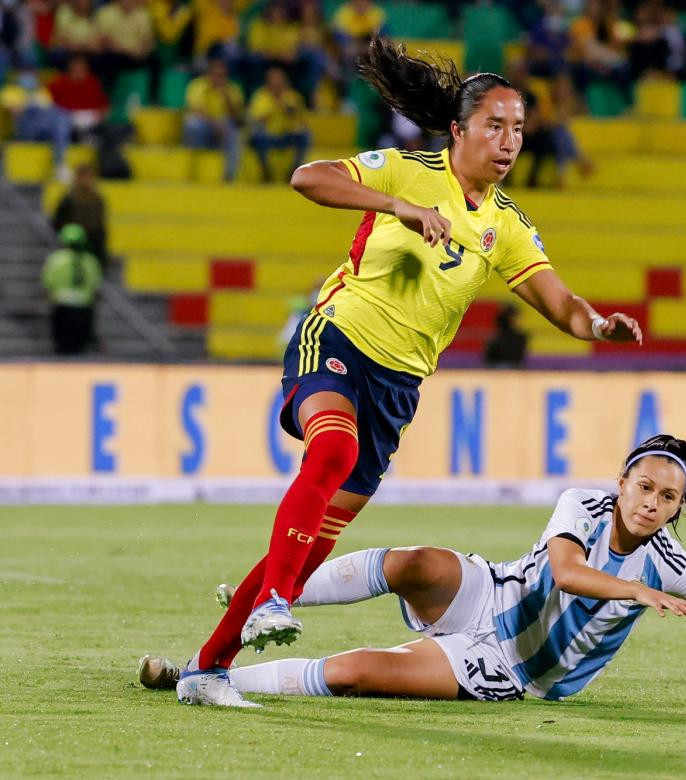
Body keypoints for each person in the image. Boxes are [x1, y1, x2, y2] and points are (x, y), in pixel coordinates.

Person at [169, 36, 644, 708]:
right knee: (332, 448)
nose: (508, 142)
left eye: (518, 130)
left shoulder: (505, 226)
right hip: (336, 339)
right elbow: (308, 176)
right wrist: (397, 206)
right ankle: (273, 602)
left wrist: (595, 323)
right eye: (494, 126)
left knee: (304, 551)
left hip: (396, 390)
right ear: (458, 130)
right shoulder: (407, 171)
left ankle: (205, 668)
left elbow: (556, 299)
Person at [140, 435, 686, 710]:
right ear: (622, 481)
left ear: (679, 506)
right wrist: (632, 589)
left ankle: (204, 678)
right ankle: (276, 597)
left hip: (511, 668)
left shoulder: (673, 566)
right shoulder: (583, 504)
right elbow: (567, 571)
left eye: (668, 498)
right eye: (644, 486)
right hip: (493, 592)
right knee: (419, 563)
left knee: (360, 671)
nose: (652, 502)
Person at [42, 223, 103, 355]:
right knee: (79, 349)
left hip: (62, 306)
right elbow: (95, 289)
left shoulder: (56, 260)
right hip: (83, 308)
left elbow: (48, 285)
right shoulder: (90, 261)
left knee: (62, 347)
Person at [2, 67, 72, 180]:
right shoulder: (10, 91)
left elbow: (49, 110)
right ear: (18, 75)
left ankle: (60, 163)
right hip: (24, 129)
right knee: (36, 110)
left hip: (44, 129)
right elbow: (14, 113)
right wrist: (28, 104)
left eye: (31, 74)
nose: (29, 77)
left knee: (62, 115)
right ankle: (60, 163)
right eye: (25, 73)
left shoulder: (41, 92)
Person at [182, 57, 244, 181]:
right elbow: (198, 112)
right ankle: (193, 169)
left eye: (222, 75)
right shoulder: (197, 86)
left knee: (234, 132)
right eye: (215, 75)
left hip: (223, 129)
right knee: (193, 124)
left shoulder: (232, 89)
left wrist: (227, 100)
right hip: (206, 128)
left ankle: (229, 176)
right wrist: (216, 125)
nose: (218, 78)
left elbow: (238, 119)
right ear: (208, 74)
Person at [246, 65, 310, 182]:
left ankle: (293, 171)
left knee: (305, 136)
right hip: (268, 135)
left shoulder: (293, 96)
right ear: (268, 83)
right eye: (273, 83)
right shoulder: (261, 96)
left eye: (280, 82)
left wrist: (291, 113)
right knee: (257, 137)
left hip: (287, 134)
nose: (277, 85)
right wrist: (276, 106)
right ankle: (266, 172)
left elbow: (301, 120)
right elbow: (257, 119)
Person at [51, 163, 109, 267]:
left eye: (88, 177)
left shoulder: (97, 200)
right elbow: (57, 222)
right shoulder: (68, 199)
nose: (85, 181)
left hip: (93, 248)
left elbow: (100, 226)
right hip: (72, 247)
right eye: (82, 177)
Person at [483, 302, 528, 366]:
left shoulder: (520, 338)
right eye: (514, 318)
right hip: (496, 368)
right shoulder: (496, 339)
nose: (517, 321)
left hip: (511, 368)